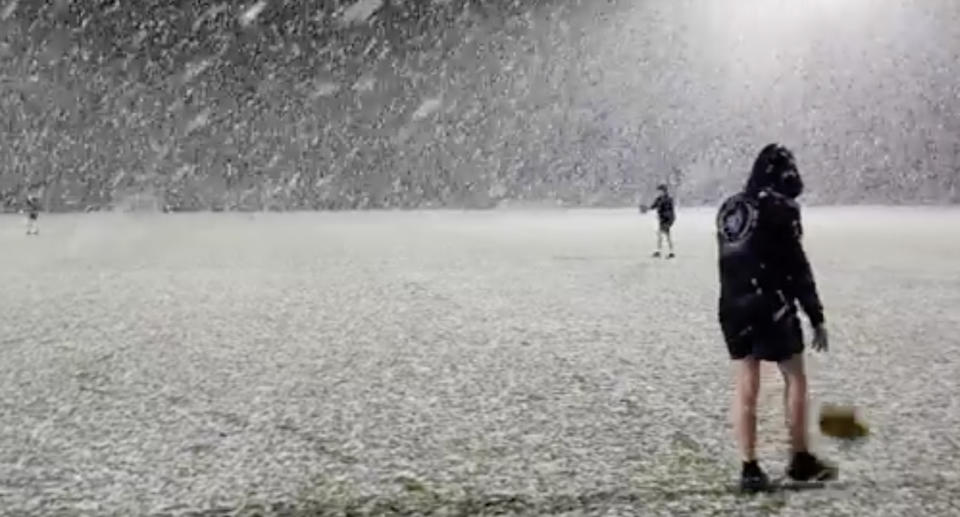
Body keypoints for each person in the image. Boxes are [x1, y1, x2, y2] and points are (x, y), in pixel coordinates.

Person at [715, 143, 836, 493]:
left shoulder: (731, 207)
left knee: (746, 383)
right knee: (795, 376)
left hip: (733, 305)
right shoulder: (780, 209)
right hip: (771, 304)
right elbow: (796, 265)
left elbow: (731, 260)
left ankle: (749, 467)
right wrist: (815, 314)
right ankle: (800, 458)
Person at [641, 183, 675, 258]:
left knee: (666, 236)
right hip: (661, 219)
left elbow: (671, 211)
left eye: (660, 191)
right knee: (661, 236)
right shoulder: (658, 199)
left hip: (667, 219)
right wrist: (646, 208)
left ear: (664, 191)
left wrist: (669, 220)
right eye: (658, 191)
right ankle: (661, 251)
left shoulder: (668, 199)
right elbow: (653, 206)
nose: (659, 192)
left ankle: (669, 252)